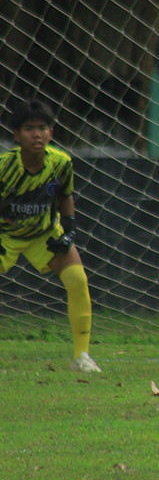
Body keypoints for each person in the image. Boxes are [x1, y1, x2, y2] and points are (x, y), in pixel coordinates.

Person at [0, 99, 101, 372]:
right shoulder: (4, 166)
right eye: (29, 129)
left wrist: (69, 231)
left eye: (42, 128)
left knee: (78, 280)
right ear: (16, 135)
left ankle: (82, 357)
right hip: (6, 235)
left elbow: (65, 195)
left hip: (43, 234)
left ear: (51, 133)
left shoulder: (60, 162)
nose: (37, 134)